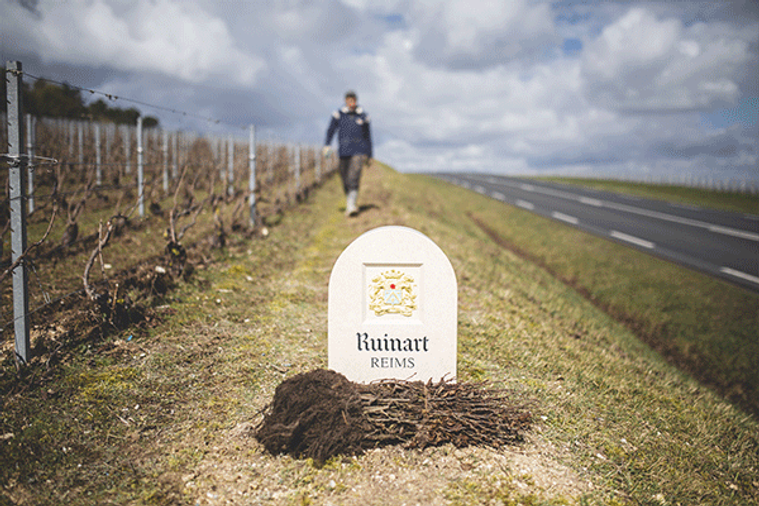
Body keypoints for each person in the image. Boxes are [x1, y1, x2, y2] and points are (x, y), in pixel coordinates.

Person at [323, 90, 372, 216]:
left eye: (353, 101)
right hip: (343, 151)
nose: (351, 103)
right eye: (349, 101)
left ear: (356, 101)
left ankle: (351, 205)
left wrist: (369, 154)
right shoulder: (338, 115)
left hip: (358, 151)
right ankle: (350, 200)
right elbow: (330, 130)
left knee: (353, 177)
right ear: (346, 101)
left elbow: (368, 137)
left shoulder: (363, 116)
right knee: (344, 178)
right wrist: (327, 145)